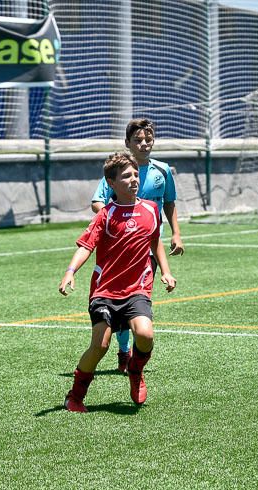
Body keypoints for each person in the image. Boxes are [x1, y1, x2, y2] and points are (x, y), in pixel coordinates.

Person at [61, 151, 177, 413]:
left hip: (137, 288)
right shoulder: (105, 215)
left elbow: (155, 241)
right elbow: (85, 246)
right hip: (105, 291)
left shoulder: (150, 209)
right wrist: (70, 271)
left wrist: (165, 271)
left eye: (135, 174)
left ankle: (135, 370)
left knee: (145, 335)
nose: (134, 179)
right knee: (99, 346)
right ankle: (75, 396)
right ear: (111, 183)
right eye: (126, 176)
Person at [91, 118, 184, 374]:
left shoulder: (162, 170)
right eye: (138, 140)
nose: (144, 144)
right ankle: (124, 351)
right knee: (121, 298)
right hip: (121, 248)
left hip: (150, 248)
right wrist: (120, 217)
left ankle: (134, 352)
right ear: (128, 143)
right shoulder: (120, 170)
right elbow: (98, 202)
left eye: (148, 140)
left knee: (138, 298)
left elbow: (170, 202)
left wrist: (176, 233)